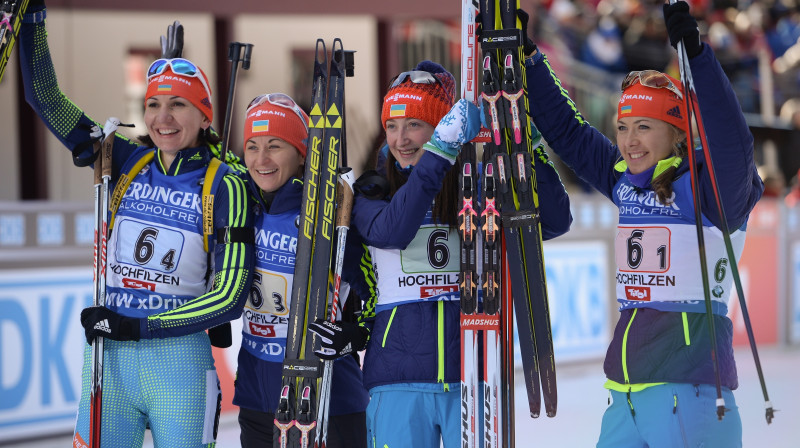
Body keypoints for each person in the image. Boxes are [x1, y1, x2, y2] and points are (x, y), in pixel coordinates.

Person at [522, 1, 763, 447]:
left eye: (645, 128)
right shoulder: (625, 183)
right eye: (623, 127)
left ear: (677, 135)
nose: (630, 141)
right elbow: (571, 134)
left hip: (689, 398)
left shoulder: (713, 194)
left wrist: (695, 56)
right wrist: (530, 59)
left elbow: (732, 140)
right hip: (625, 398)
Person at [19, 3, 254, 447]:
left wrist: (139, 327)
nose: (163, 118)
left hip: (177, 362)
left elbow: (228, 299)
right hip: (109, 357)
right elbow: (45, 101)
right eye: (153, 104)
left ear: (205, 115)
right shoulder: (122, 157)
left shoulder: (226, 185)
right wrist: (32, 23)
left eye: (178, 105)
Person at [311, 60, 572, 448]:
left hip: (475, 375)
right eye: (392, 126)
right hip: (397, 381)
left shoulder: (481, 188)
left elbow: (553, 221)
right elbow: (393, 231)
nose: (401, 139)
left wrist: (526, 148)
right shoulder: (372, 192)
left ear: (441, 125)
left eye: (415, 124)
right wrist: (441, 150)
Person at [233, 92, 369, 447]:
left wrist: (355, 334)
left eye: (275, 145)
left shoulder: (332, 213)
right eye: (252, 146)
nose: (261, 159)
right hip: (258, 396)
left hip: (328, 399)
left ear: (302, 151)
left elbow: (375, 290)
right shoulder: (238, 205)